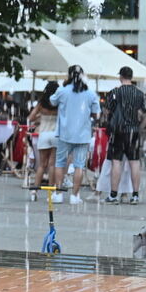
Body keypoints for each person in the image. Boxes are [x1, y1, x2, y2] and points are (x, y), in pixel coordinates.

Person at [50, 65, 100, 205]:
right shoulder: (90, 93)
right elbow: (96, 112)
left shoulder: (62, 91)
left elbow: (52, 101)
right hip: (83, 134)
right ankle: (75, 196)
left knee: (60, 163)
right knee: (79, 165)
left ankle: (58, 194)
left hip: (64, 133)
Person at [103, 66, 146, 204]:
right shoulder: (140, 94)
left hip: (118, 131)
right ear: (131, 77)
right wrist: (140, 127)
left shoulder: (115, 92)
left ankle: (113, 195)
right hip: (133, 131)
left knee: (116, 161)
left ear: (120, 76)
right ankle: (135, 195)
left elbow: (106, 111)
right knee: (134, 162)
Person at [27, 81, 59, 190]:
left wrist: (40, 117)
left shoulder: (41, 104)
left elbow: (30, 118)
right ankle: (51, 190)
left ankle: (34, 190)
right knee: (52, 164)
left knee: (41, 164)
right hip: (55, 135)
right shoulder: (59, 103)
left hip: (43, 134)